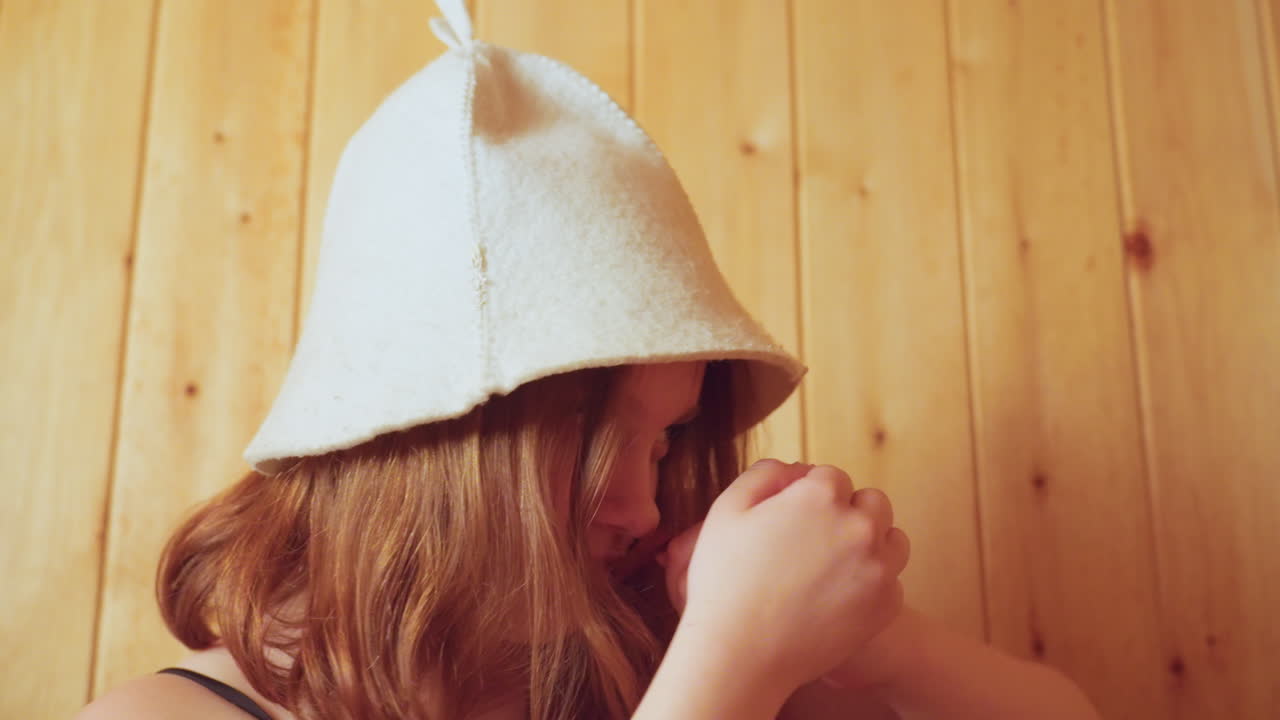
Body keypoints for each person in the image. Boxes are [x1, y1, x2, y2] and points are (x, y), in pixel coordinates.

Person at [80, 2, 1103, 718]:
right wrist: (729, 671)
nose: (645, 510)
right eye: (596, 444)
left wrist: (884, 649)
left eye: (660, 447)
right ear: (434, 447)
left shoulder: (627, 656)